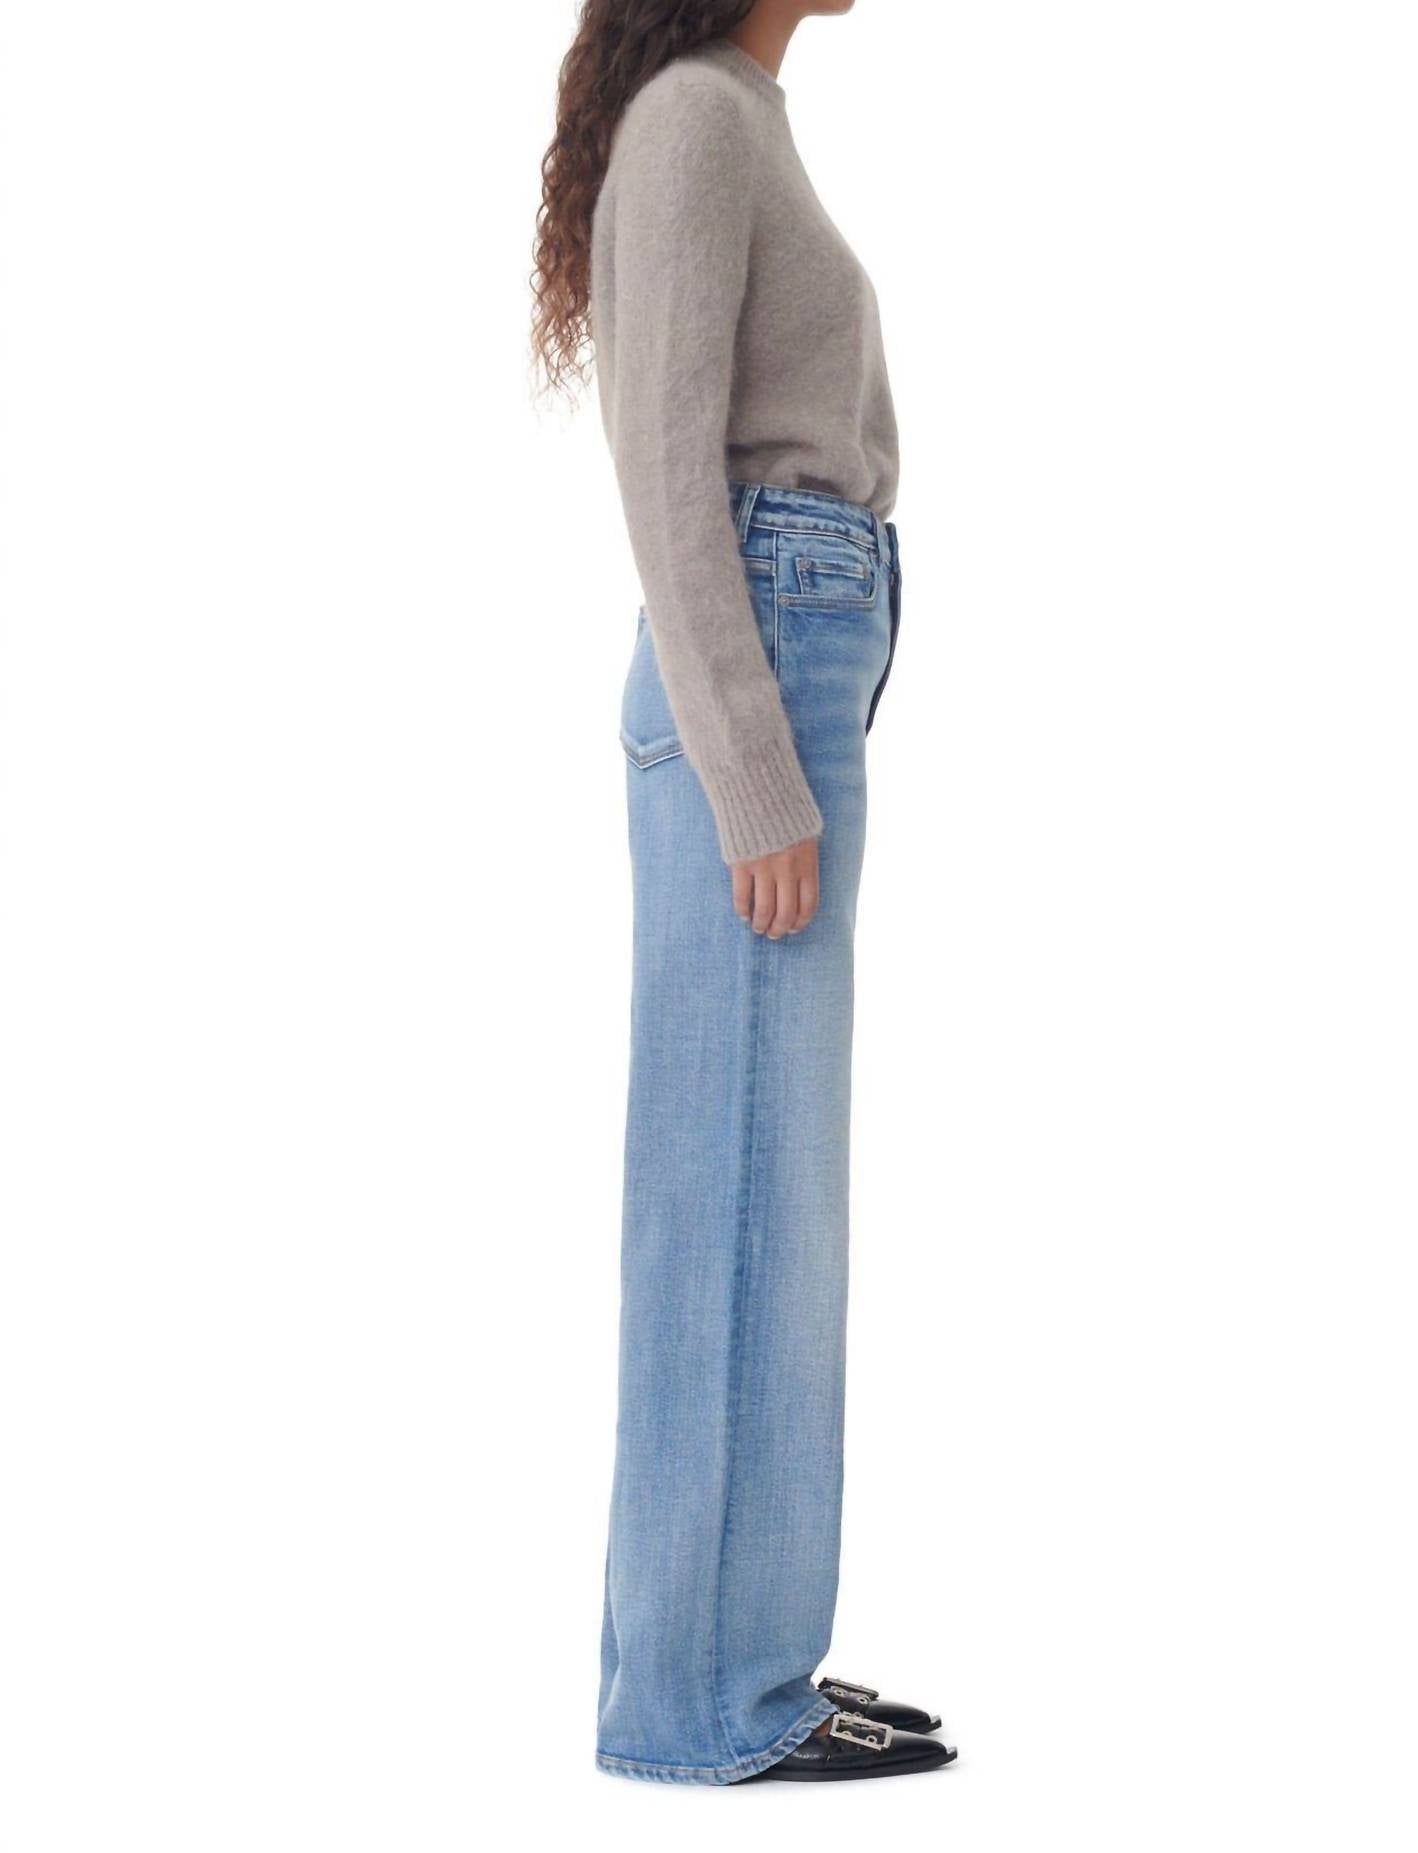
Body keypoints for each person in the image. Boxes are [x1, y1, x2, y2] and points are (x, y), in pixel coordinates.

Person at [531, 0, 953, 1784]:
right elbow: (665, 464)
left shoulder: (733, 112)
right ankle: (703, 1699)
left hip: (791, 645)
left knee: (773, 1193)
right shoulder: (700, 118)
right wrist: (756, 770)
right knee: (735, 1194)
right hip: (758, 664)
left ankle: (745, 1663)